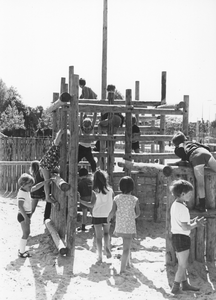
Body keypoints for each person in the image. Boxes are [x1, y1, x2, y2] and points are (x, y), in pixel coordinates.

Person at [169, 179, 206, 294]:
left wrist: (192, 221)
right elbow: (185, 227)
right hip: (182, 238)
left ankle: (184, 284)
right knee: (183, 264)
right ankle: (175, 288)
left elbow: (182, 223)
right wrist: (196, 224)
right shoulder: (183, 208)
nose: (191, 196)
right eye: (189, 194)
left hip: (175, 236)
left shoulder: (175, 205)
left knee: (181, 262)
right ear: (182, 194)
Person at [171, 131, 216, 212]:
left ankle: (202, 205)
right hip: (205, 152)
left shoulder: (178, 149)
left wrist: (180, 146)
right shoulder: (192, 142)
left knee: (201, 184)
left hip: (195, 156)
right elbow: (207, 148)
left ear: (175, 144)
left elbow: (183, 156)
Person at [79, 169, 113, 263]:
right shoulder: (110, 190)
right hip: (107, 214)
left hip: (97, 214)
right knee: (106, 233)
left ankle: (100, 256)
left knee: (98, 237)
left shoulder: (95, 191)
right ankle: (107, 247)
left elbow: (91, 204)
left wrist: (80, 201)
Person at [107, 176, 140, 274]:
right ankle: (122, 269)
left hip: (120, 225)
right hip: (129, 227)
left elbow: (112, 212)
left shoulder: (116, 198)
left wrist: (108, 219)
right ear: (132, 187)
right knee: (126, 248)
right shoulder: (134, 199)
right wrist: (132, 216)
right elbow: (138, 213)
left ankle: (128, 263)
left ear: (120, 187)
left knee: (125, 245)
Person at [17, 173, 51, 258]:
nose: (30, 188)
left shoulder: (26, 190)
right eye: (29, 186)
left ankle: (22, 248)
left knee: (26, 233)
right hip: (23, 215)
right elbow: (20, 206)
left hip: (25, 215)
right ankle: (21, 252)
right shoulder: (22, 193)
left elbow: (35, 187)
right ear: (23, 184)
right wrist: (26, 218)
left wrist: (44, 182)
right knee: (26, 233)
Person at [40, 129, 65, 204]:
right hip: (45, 164)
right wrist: (60, 133)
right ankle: (47, 197)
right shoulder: (56, 145)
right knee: (47, 181)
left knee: (50, 179)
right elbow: (56, 140)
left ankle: (48, 195)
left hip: (51, 166)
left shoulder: (62, 148)